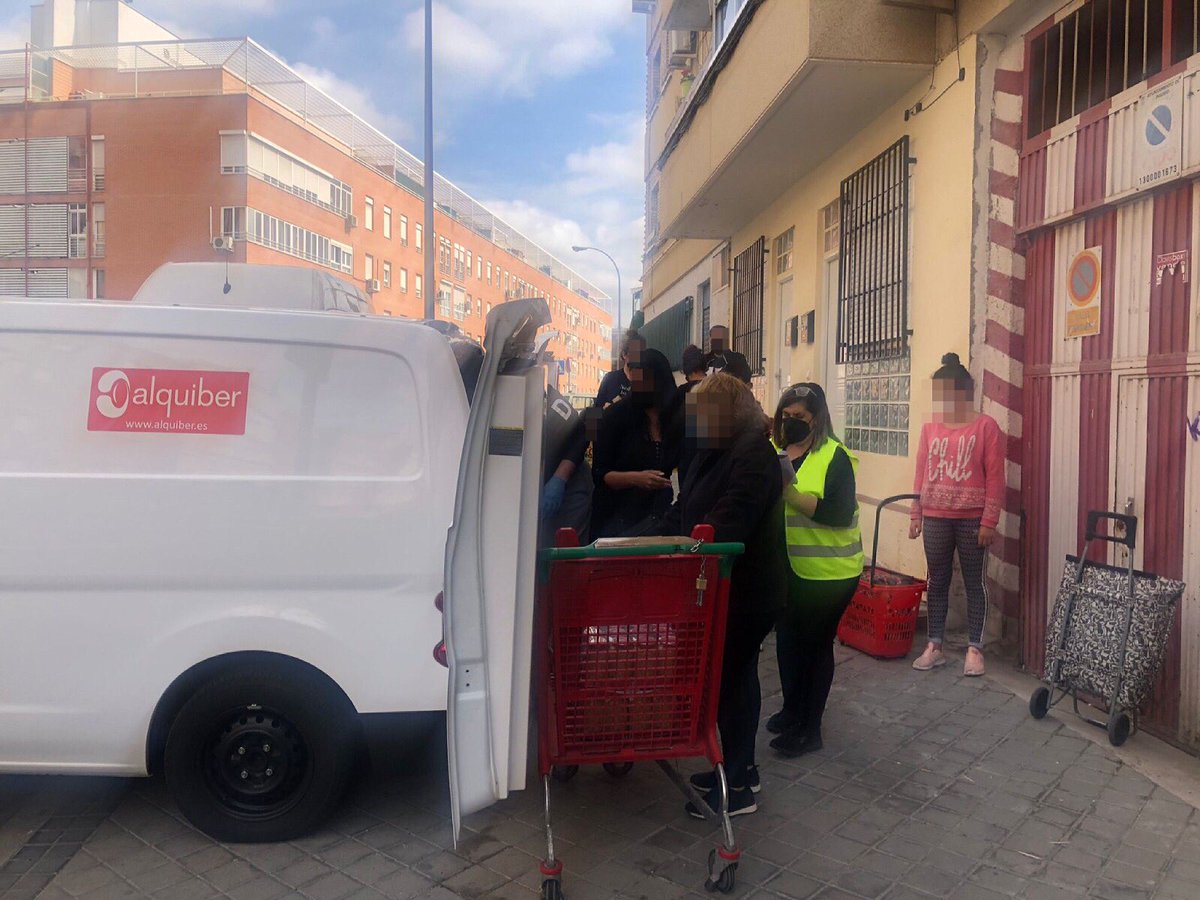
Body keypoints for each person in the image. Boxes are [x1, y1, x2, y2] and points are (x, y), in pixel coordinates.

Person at [662, 373, 786, 817]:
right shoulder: (713, 450)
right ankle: (741, 770)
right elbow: (684, 508)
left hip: (747, 590)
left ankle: (734, 789)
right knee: (737, 676)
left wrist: (687, 546)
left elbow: (731, 518)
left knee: (728, 681)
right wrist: (638, 537)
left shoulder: (753, 452)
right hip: (720, 586)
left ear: (729, 414)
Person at [768, 383, 864, 758]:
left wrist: (790, 495)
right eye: (786, 415)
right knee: (788, 641)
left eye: (800, 417)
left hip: (830, 573)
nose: (791, 422)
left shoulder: (834, 456)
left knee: (814, 646)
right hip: (790, 568)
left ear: (817, 419)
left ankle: (810, 729)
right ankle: (792, 710)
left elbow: (838, 513)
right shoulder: (776, 449)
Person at [909, 353, 1005, 677]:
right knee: (937, 581)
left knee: (975, 582)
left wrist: (989, 521)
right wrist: (916, 514)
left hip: (972, 520)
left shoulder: (986, 427)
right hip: (935, 516)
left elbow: (995, 477)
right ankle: (934, 645)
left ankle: (975, 649)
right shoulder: (930, 428)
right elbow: (921, 472)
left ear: (964, 392)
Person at [591, 348, 682, 537]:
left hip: (661, 520)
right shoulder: (614, 416)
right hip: (617, 521)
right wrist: (637, 478)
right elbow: (600, 474)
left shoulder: (674, 419)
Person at [540, 378, 593, 546]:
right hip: (544, 485)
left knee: (565, 548)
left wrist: (560, 478)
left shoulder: (555, 405)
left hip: (569, 487)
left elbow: (583, 431)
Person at [594, 330, 647, 408]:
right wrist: (607, 409)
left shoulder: (645, 380)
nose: (639, 357)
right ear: (624, 354)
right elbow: (596, 409)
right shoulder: (610, 378)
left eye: (641, 353)